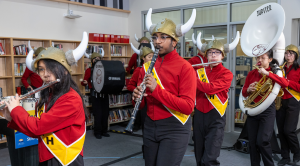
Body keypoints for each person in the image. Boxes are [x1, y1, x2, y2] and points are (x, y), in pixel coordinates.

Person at [0, 32, 88, 166]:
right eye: (41, 70)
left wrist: (17, 109)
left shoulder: (71, 99)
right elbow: (36, 132)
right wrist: (11, 117)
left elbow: (37, 127)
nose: (45, 75)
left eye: (51, 69)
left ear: (65, 71)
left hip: (65, 160)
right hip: (47, 156)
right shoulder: (48, 95)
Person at [132, 8, 197, 166]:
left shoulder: (185, 67)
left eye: (163, 37)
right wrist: (136, 98)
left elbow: (188, 107)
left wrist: (156, 90)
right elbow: (141, 104)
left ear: (174, 42)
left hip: (174, 127)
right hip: (150, 125)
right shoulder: (146, 66)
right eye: (154, 37)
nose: (157, 41)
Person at [193, 32, 239, 166]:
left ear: (222, 56)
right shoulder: (199, 71)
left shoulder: (227, 74)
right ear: (206, 55)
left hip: (216, 116)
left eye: (217, 52)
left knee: (210, 158)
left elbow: (210, 88)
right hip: (199, 115)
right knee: (198, 154)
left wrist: (192, 79)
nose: (213, 55)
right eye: (210, 52)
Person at [242, 49, 289, 166]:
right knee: (252, 143)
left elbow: (285, 84)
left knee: (262, 141)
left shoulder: (274, 72)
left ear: (270, 59)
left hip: (267, 110)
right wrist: (248, 90)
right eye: (258, 58)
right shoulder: (251, 73)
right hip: (253, 109)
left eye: (263, 58)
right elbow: (243, 92)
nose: (259, 60)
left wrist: (268, 74)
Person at [276, 44, 300, 165]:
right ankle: (285, 156)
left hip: (293, 101)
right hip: (281, 100)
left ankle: (297, 152)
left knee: (289, 130)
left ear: (296, 56)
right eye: (286, 53)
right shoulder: (281, 68)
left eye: (291, 54)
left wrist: (288, 82)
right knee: (280, 131)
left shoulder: (299, 69)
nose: (288, 56)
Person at [81, 50, 110, 139]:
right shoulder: (89, 70)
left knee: (105, 113)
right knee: (98, 114)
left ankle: (104, 131)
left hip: (104, 94)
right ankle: (97, 132)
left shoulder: (105, 68)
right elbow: (84, 82)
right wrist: (85, 82)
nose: (97, 60)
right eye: (95, 59)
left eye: (98, 58)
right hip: (95, 94)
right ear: (92, 60)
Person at [127, 43, 154, 132]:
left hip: (153, 101)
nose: (151, 59)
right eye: (149, 57)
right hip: (143, 101)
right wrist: (137, 89)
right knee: (145, 127)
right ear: (143, 58)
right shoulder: (138, 70)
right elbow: (130, 85)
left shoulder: (155, 70)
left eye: (152, 57)